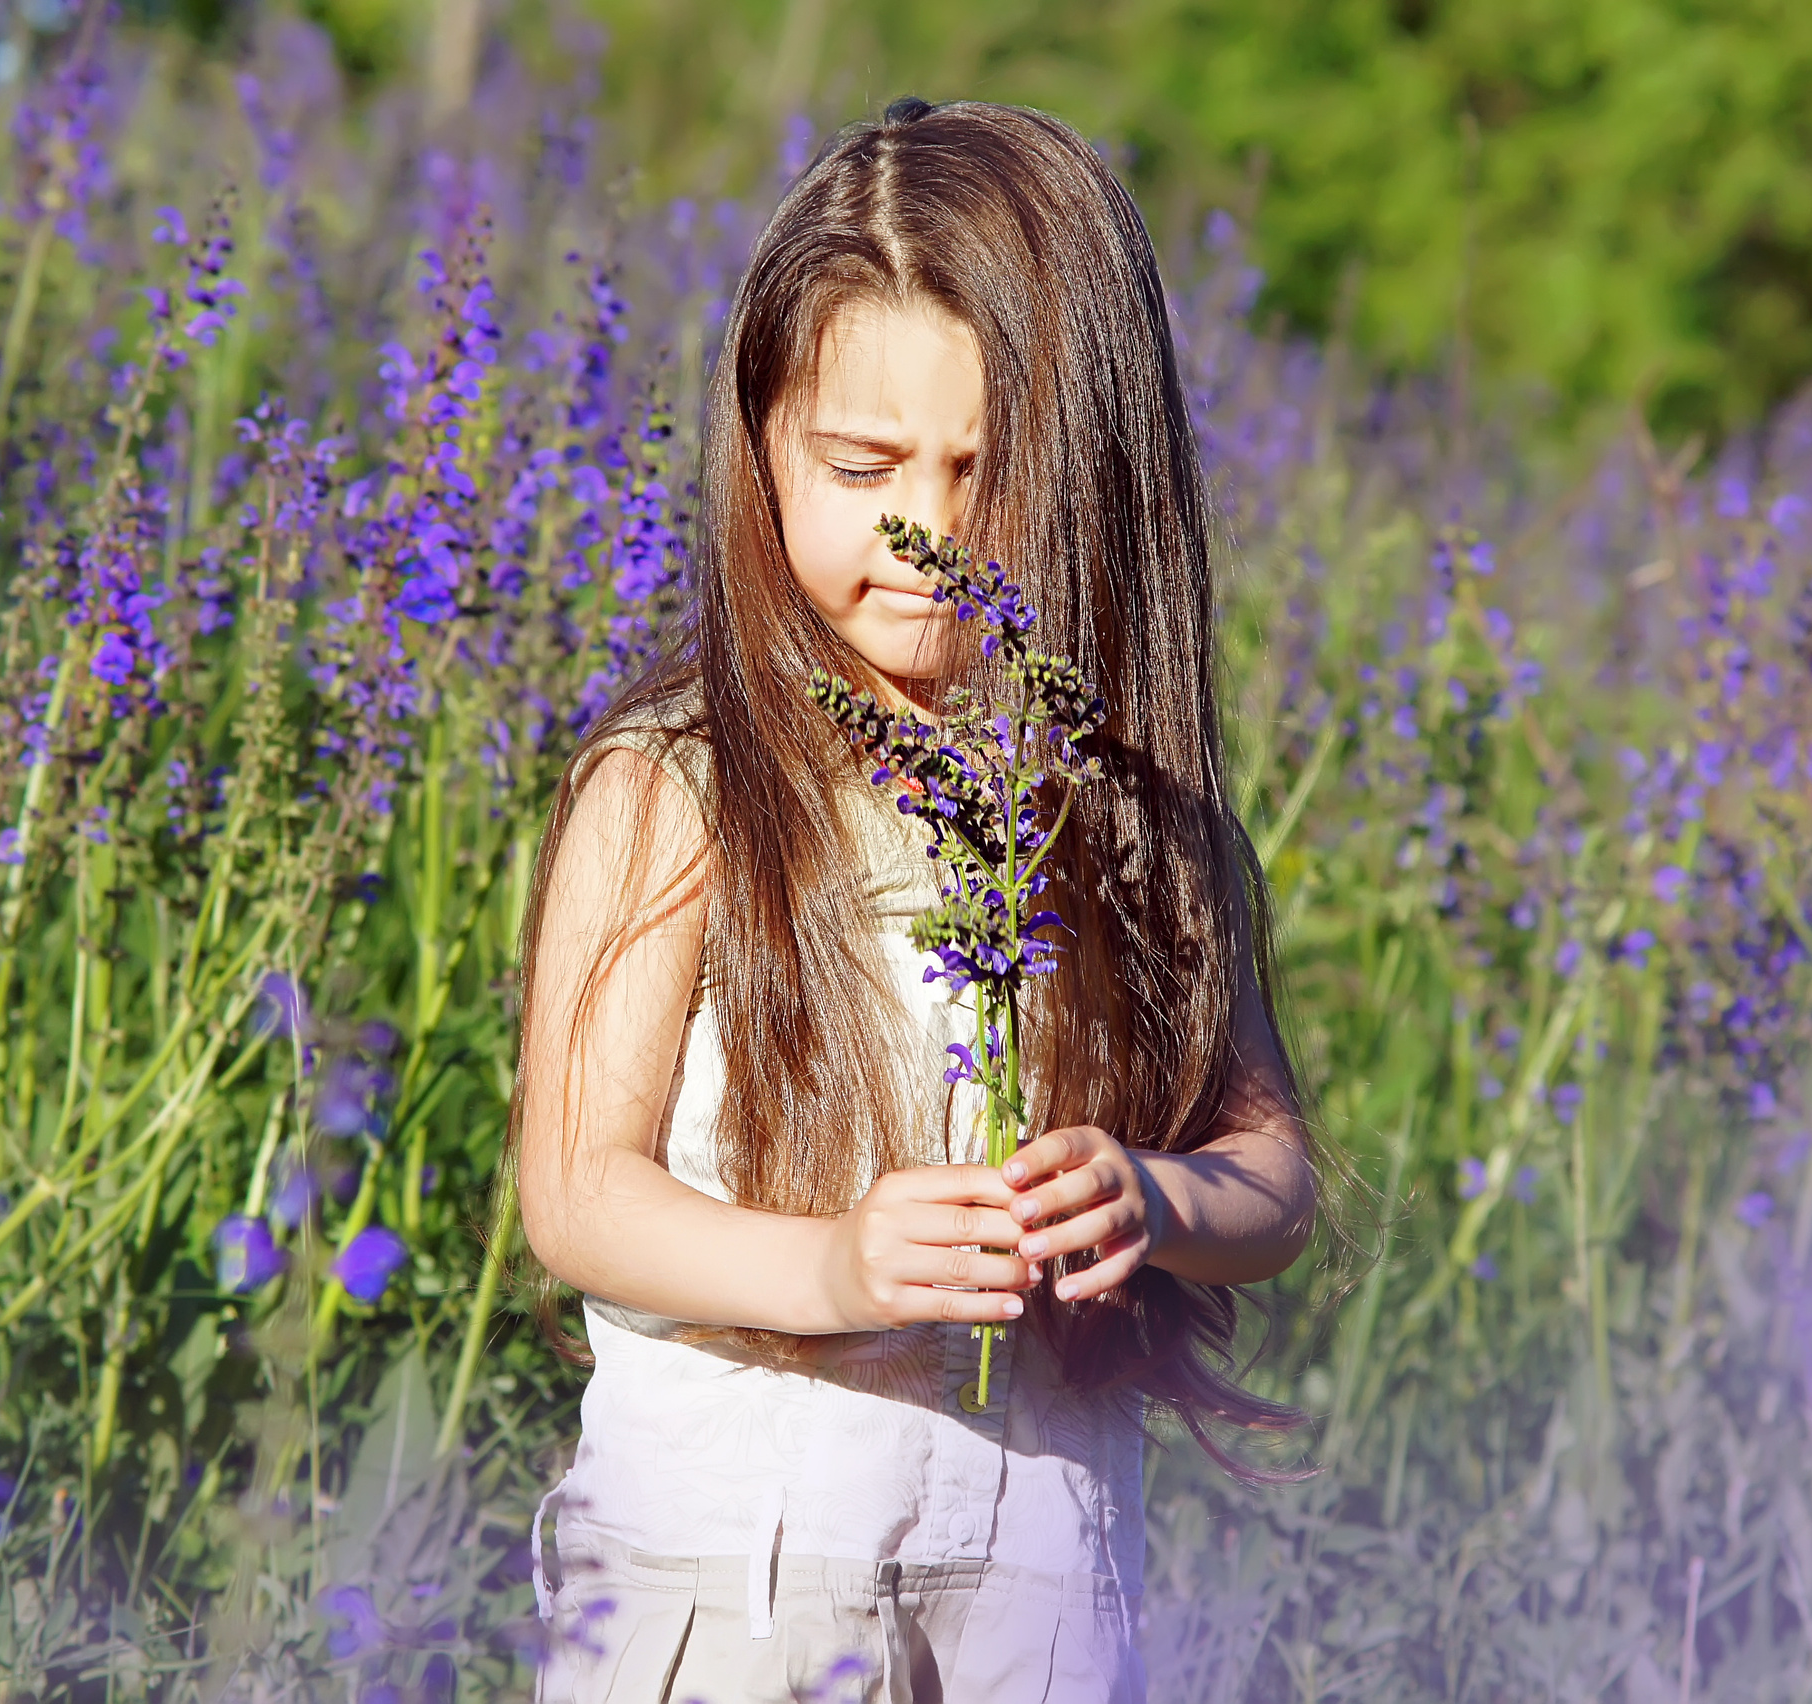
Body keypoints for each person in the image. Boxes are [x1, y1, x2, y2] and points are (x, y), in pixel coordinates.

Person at [510, 95, 1323, 1704]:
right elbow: (575, 1195)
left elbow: (1273, 1178)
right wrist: (835, 1271)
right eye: (863, 465)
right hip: (729, 1574)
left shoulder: (1139, 821)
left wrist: (1153, 1202)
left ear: (1102, 481)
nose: (928, 536)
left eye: (988, 472)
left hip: (1042, 1577)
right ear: (762, 444)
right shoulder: (676, 784)